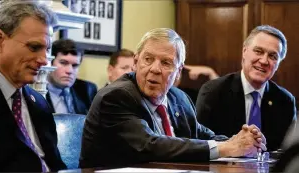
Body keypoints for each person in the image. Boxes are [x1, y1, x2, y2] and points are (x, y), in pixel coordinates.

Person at [79, 28, 266, 168]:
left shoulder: (179, 98)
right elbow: (149, 145)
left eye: (166, 63)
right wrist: (227, 148)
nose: (154, 69)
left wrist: (243, 142)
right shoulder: (116, 96)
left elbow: (201, 135)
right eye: (148, 59)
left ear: (178, 72)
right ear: (135, 63)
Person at [0, 0, 67, 172]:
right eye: (34, 47)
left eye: (46, 49)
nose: (44, 60)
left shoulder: (39, 102)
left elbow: (56, 165)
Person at [196, 25, 297, 152]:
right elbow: (200, 141)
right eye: (258, 51)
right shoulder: (214, 92)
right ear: (244, 52)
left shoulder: (285, 101)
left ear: (278, 64)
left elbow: (288, 152)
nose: (264, 61)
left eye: (273, 56)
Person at [46, 39, 97, 115]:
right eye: (63, 63)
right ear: (49, 63)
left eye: (75, 65)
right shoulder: (35, 92)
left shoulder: (87, 89)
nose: (69, 71)